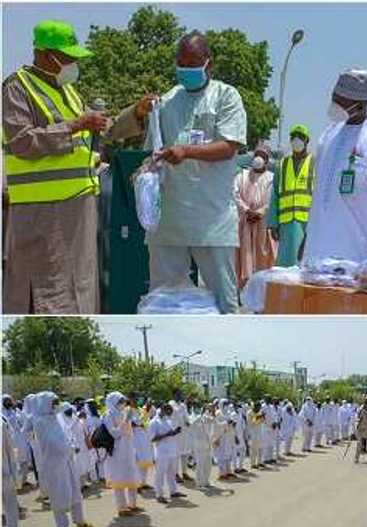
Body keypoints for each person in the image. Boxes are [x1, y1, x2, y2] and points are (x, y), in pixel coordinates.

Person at [109, 31, 247, 314]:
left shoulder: (226, 96)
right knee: (164, 302)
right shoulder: (169, 99)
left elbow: (230, 146)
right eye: (181, 63)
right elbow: (153, 151)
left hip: (211, 219)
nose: (185, 69)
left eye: (192, 63)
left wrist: (186, 151)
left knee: (224, 302)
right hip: (169, 219)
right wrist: (146, 171)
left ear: (209, 63)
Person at [2, 20, 105, 314]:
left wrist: (134, 115)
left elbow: (95, 130)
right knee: (51, 288)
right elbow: (22, 142)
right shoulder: (17, 87)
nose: (73, 64)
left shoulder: (68, 91)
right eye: (67, 57)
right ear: (45, 55)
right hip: (43, 209)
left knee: (80, 284)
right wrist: (74, 125)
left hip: (78, 204)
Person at [303, 68, 367, 262]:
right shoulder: (329, 134)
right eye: (335, 98)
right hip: (319, 244)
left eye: (342, 102)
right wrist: (308, 235)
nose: (335, 105)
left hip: (361, 246)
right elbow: (320, 191)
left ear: (361, 103)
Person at [27, 393, 91, 527]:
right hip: (54, 463)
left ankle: (79, 520)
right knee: (59, 493)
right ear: (45, 404)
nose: (57, 405)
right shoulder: (40, 422)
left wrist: (72, 445)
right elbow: (50, 442)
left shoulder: (58, 417)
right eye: (54, 402)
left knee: (74, 490)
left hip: (68, 460)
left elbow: (67, 434)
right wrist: (68, 448)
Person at [268, 124, 314, 266]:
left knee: (304, 263)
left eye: (300, 137)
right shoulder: (282, 164)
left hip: (308, 224)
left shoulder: (315, 163)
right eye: (293, 137)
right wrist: (273, 223)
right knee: (285, 264)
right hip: (286, 223)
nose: (296, 140)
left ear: (307, 141)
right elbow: (275, 195)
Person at [234, 145, 277, 288]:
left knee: (263, 256)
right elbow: (235, 194)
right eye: (257, 155)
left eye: (262, 156)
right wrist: (247, 210)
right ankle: (244, 288)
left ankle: (262, 288)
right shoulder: (242, 176)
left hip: (263, 224)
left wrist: (260, 212)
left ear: (267, 160)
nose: (259, 158)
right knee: (244, 256)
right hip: (245, 222)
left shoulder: (272, 178)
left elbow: (273, 199)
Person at [103, 392, 143, 516]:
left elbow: (130, 431)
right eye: (120, 401)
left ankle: (132, 504)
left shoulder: (124, 413)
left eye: (123, 401)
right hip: (117, 452)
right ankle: (122, 508)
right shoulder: (108, 415)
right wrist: (126, 420)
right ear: (113, 402)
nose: (123, 403)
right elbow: (114, 434)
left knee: (132, 477)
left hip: (129, 450)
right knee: (119, 479)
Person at [1, 407, 32, 527]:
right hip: (4, 473)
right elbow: (10, 451)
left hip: (5, 473)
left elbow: (10, 451)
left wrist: (15, 475)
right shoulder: (2, 421)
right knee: (7, 506)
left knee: (10, 505)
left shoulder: (3, 422)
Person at [150, 404, 184, 503]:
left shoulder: (168, 421)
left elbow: (171, 434)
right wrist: (167, 434)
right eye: (168, 411)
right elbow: (152, 439)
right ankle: (159, 494)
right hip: (161, 452)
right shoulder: (154, 422)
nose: (170, 414)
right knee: (160, 474)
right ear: (162, 410)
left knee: (172, 473)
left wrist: (175, 432)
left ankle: (173, 491)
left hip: (171, 450)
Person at [190, 406, 214, 488]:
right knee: (200, 464)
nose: (208, 412)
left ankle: (206, 480)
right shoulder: (195, 419)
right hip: (199, 445)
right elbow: (191, 427)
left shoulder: (208, 419)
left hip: (208, 444)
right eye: (207, 410)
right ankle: (199, 482)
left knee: (208, 463)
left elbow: (213, 421)